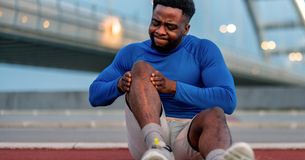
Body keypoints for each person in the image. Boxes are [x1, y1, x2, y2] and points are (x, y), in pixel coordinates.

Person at [89, 0, 254, 159]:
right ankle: (158, 148)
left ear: (186, 29)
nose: (160, 31)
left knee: (216, 114)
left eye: (170, 26)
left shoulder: (204, 50)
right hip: (148, 139)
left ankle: (219, 158)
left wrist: (174, 88)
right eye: (155, 23)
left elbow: (228, 100)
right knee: (141, 68)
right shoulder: (132, 52)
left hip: (190, 136)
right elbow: (95, 95)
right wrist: (118, 85)